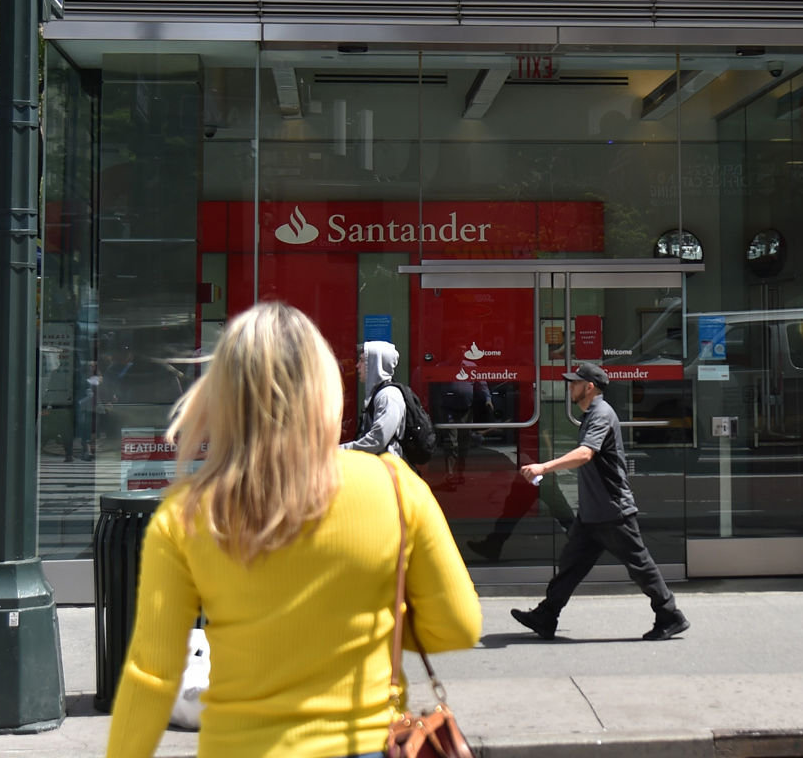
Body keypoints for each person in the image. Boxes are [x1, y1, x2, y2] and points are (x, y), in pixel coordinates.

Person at [105, 302, 481, 758]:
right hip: (363, 743)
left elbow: (151, 675)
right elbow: (458, 625)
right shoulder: (395, 486)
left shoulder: (185, 514)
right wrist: (368, 616)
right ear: (323, 390)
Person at [509, 363, 689, 642]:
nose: (570, 387)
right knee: (570, 565)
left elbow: (585, 454)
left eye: (574, 383)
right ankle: (546, 615)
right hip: (593, 512)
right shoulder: (592, 414)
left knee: (640, 565)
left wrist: (543, 467)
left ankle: (670, 615)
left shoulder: (601, 414)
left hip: (612, 510)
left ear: (589, 387)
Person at [341, 339, 404, 458]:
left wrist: (342, 450)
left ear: (375, 363)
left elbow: (377, 440)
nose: (357, 366)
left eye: (362, 360)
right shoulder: (378, 393)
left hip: (386, 466)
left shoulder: (388, 396)